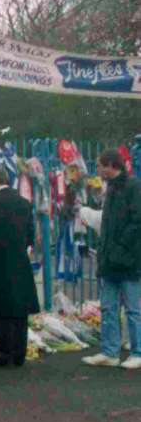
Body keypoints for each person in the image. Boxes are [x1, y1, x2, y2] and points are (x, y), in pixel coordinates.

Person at [83, 148, 141, 369]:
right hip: (110, 259)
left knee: (133, 309)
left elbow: (137, 222)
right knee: (108, 307)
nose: (98, 170)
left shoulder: (133, 187)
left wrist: (120, 247)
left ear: (110, 166)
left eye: (100, 165)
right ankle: (110, 351)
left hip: (128, 260)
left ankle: (138, 351)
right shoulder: (112, 188)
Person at [0, 167, 40, 368]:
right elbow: (30, 234)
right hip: (20, 261)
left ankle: (4, 353)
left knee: (1, 311)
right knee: (19, 311)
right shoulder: (23, 203)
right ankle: (19, 354)